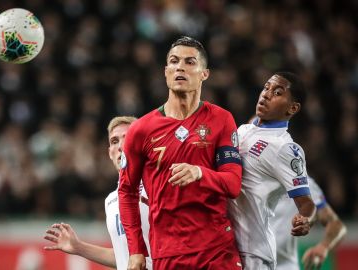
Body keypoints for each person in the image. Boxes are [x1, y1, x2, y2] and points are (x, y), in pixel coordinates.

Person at [118, 36, 243, 270]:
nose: (180, 68)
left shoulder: (221, 120)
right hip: (168, 254)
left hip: (217, 251)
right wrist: (136, 250)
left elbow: (233, 184)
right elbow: (126, 191)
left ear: (204, 73)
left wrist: (199, 173)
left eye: (189, 62)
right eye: (174, 62)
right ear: (166, 72)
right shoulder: (141, 130)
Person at [228, 71, 317, 269]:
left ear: (292, 108)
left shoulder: (284, 148)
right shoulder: (243, 130)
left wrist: (305, 220)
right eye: (266, 87)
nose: (266, 94)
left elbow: (306, 203)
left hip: (253, 252)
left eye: (277, 92)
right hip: (224, 243)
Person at [43, 116, 152, 270]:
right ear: (110, 153)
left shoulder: (159, 186)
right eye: (114, 141)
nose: (121, 146)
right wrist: (79, 248)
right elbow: (124, 257)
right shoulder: (111, 200)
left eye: (127, 138)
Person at [272, 176, 347, 270]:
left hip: (285, 266)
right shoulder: (250, 178)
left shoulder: (304, 184)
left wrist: (324, 246)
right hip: (251, 262)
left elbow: (335, 224)